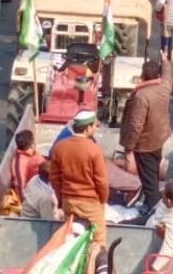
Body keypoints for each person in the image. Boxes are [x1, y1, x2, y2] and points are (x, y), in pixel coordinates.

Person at [51, 111, 109, 266]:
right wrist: (102, 200)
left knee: (70, 239)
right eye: (94, 125)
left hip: (69, 202)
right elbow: (101, 181)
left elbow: (54, 178)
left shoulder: (59, 147)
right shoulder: (94, 150)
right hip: (90, 204)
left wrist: (61, 198)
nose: (95, 128)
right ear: (87, 128)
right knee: (97, 242)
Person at [120, 58, 173, 215]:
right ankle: (151, 201)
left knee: (149, 180)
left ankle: (153, 210)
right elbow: (168, 74)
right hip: (159, 138)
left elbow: (136, 125)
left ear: (142, 75)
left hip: (145, 144)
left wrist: (129, 148)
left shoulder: (141, 96)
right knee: (153, 173)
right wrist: (165, 61)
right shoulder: (164, 87)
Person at [8, 130, 45, 205]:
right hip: (38, 194)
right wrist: (27, 206)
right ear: (31, 144)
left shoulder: (32, 153)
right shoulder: (20, 163)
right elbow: (20, 187)